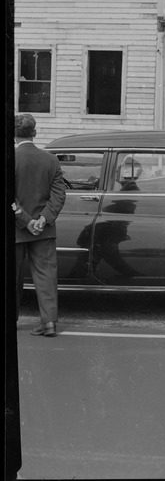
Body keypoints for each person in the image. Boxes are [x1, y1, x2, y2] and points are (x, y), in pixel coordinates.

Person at [13, 113, 67, 337]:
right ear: (34, 133)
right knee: (46, 275)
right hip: (44, 230)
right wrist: (43, 220)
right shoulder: (51, 160)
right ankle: (49, 322)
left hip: (16, 229)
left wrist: (26, 220)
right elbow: (59, 194)